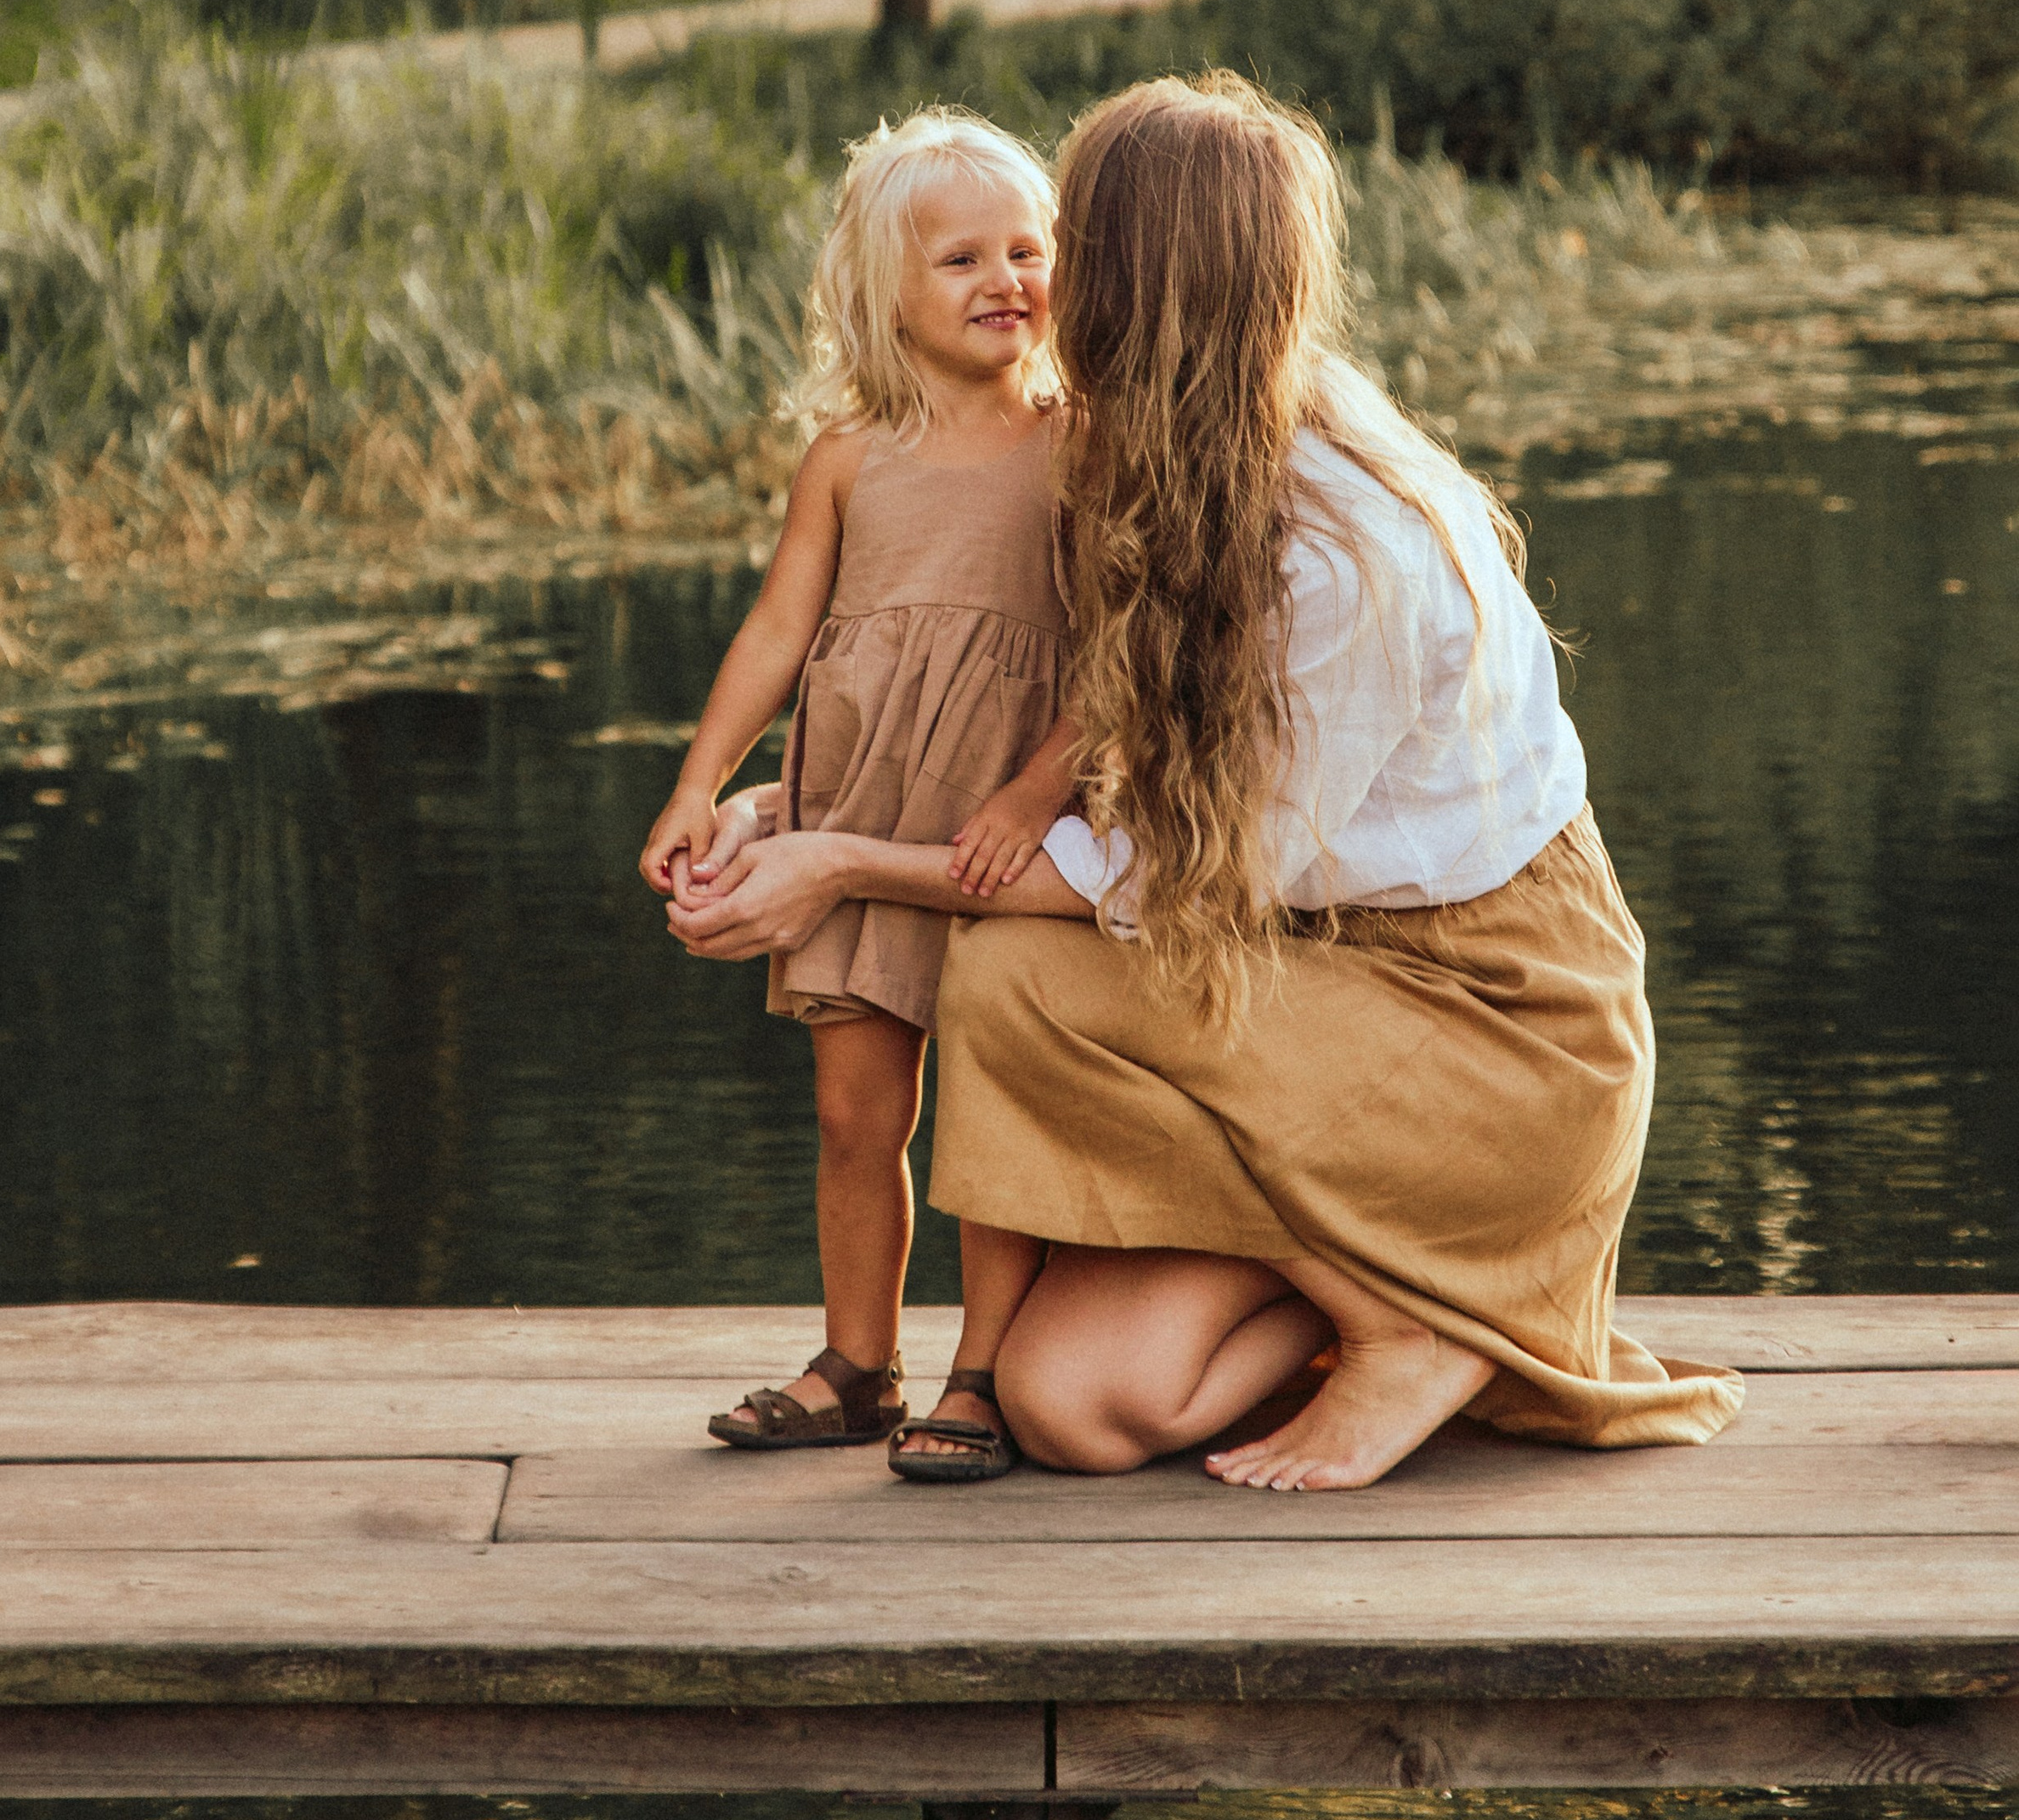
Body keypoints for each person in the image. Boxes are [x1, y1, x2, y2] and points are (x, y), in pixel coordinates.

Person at [665, 75, 1744, 1490]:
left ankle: (1405, 1326)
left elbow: (1173, 875)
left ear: (1136, 291)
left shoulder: (1339, 553)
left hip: (1494, 1040)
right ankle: (1426, 1301)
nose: (1037, 284)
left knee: (1001, 976)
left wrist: (846, 865)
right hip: (1304, 998)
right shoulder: (1169, 455)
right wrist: (784, 805)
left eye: (1063, 247)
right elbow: (1059, 740)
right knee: (1073, 1405)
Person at [640, 108, 1078, 1458]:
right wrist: (700, 783)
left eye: (1026, 249)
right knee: (856, 1114)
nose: (1006, 279)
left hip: (1007, 815)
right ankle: (859, 1363)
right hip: (863, 804)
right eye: (961, 261)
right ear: (881, 298)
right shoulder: (847, 456)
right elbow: (778, 632)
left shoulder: (1082, 442)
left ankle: (986, 1376)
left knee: (996, 1118)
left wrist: (1031, 795)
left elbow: (1121, 659)